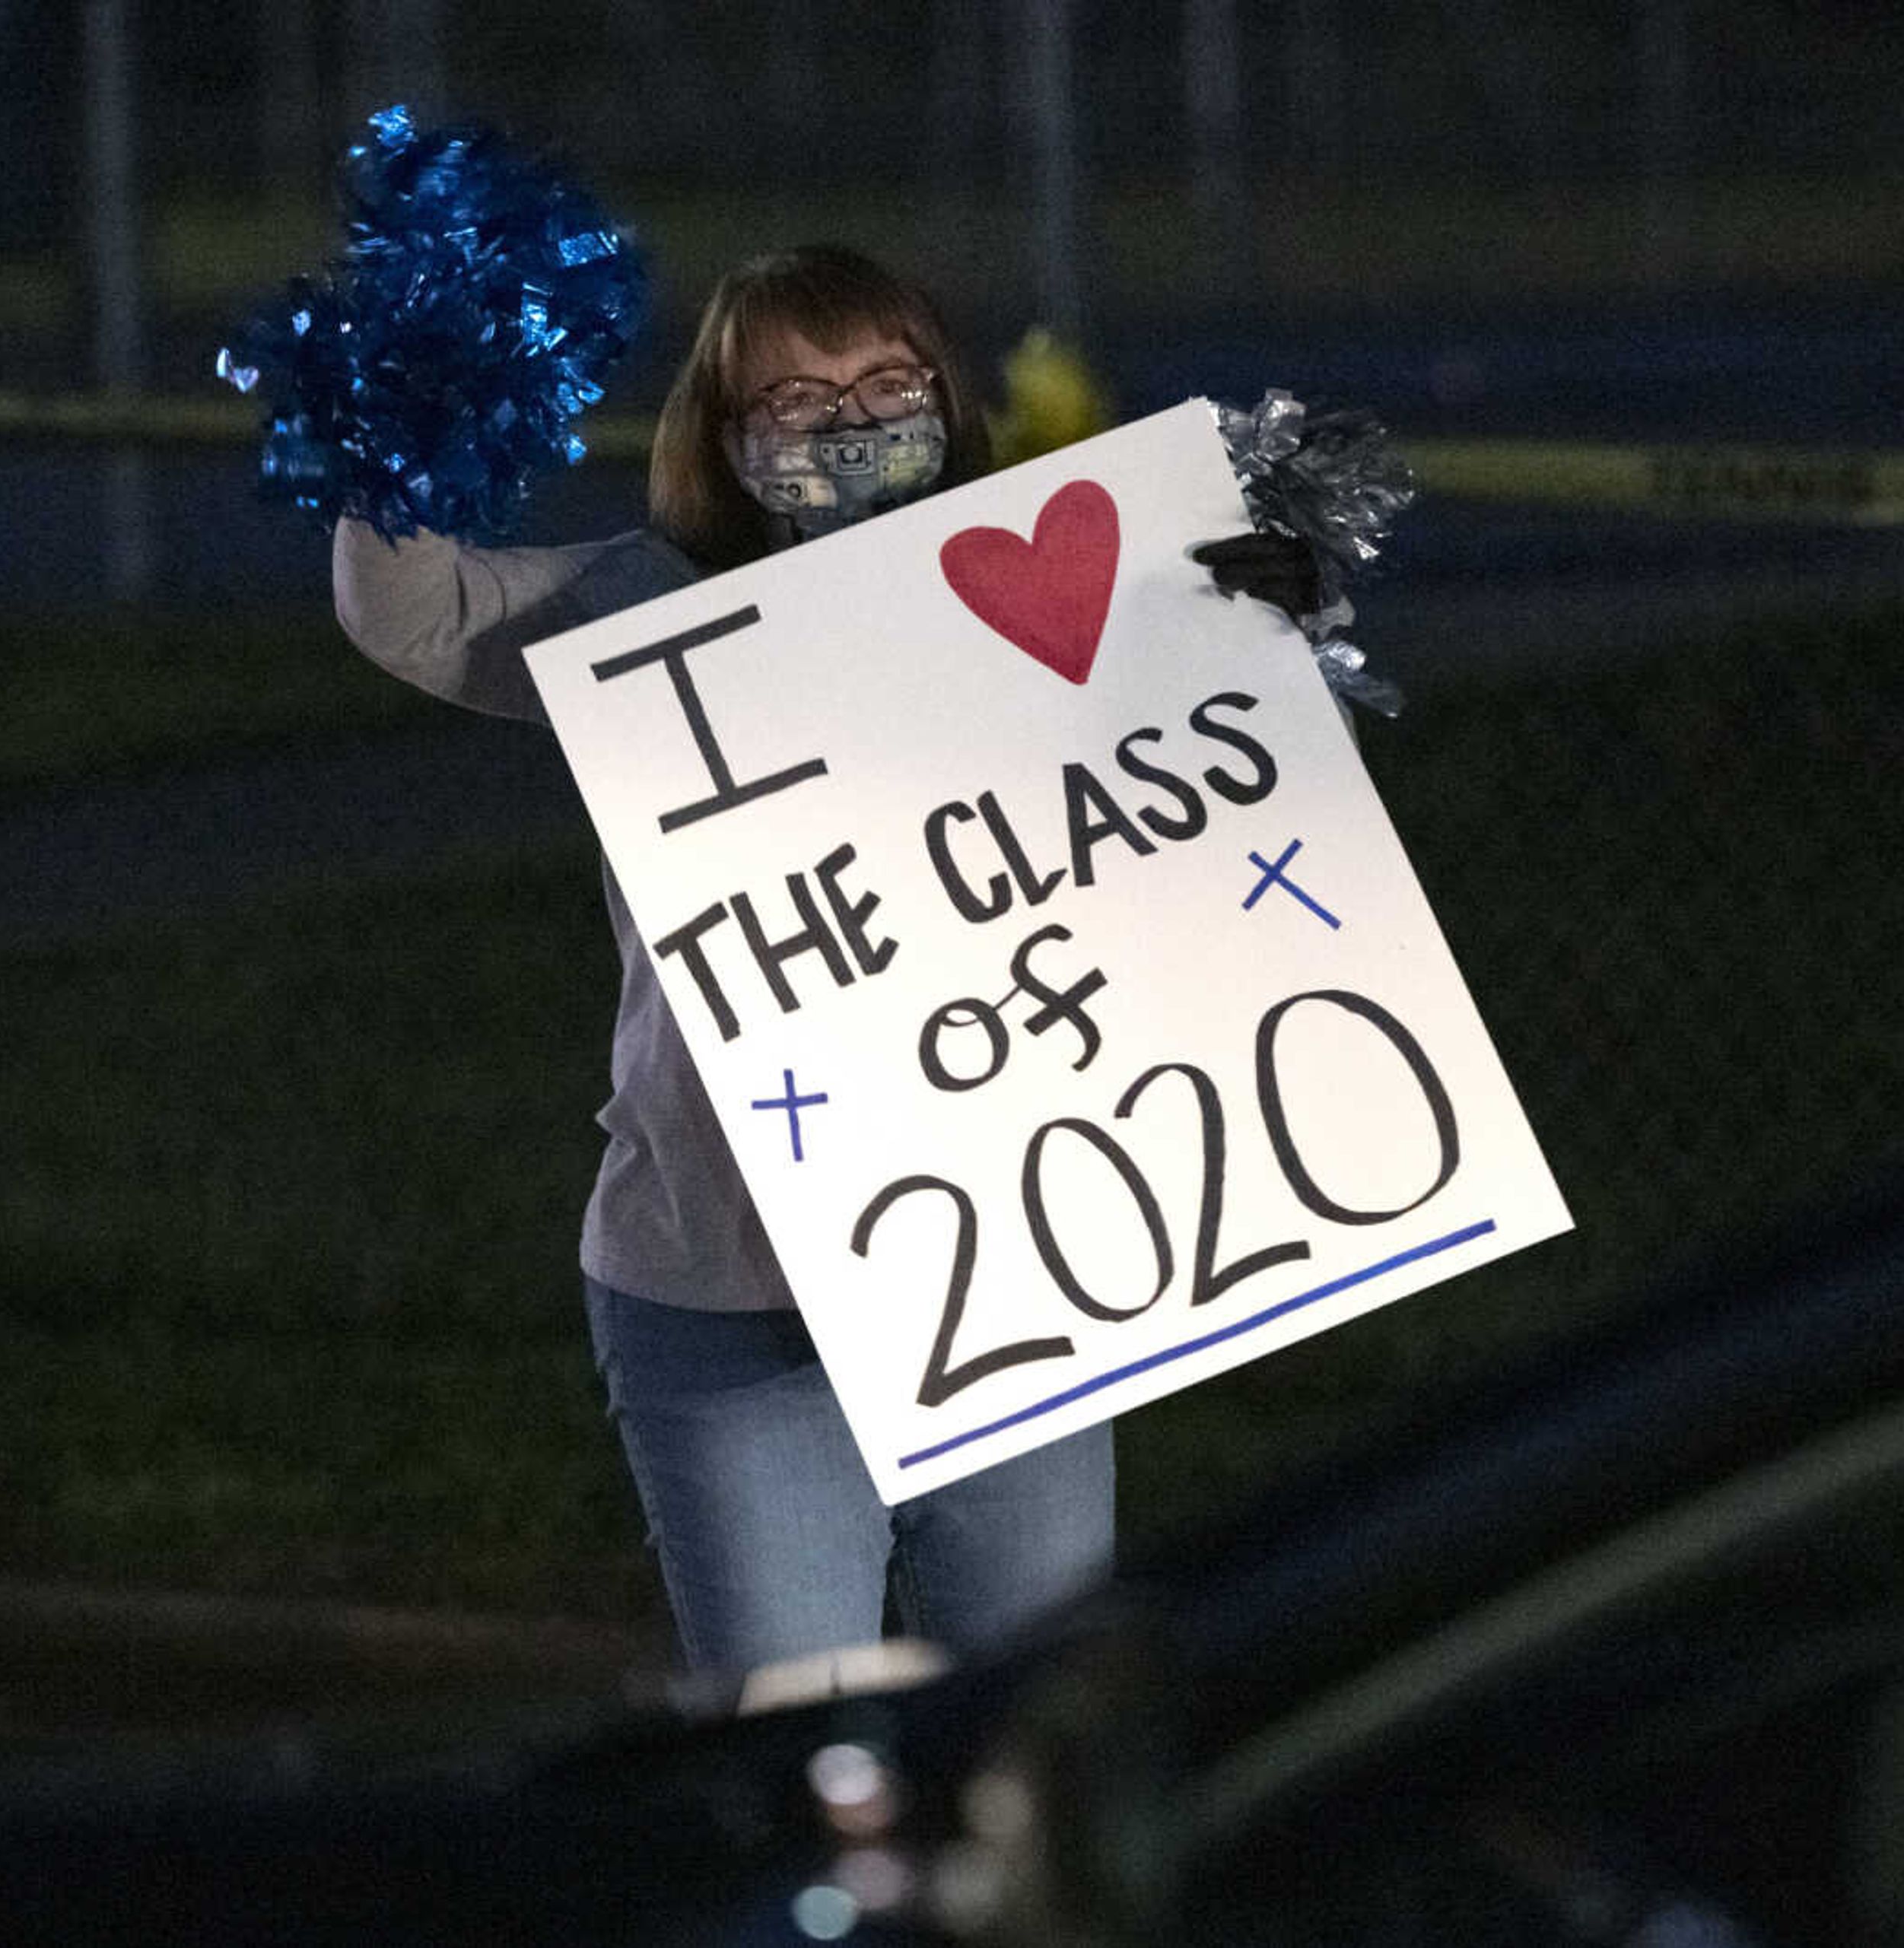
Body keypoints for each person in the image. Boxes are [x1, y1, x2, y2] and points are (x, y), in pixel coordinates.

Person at [332, 243, 1319, 1683]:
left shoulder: (1072, 603)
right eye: (793, 397)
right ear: (725, 441)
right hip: (731, 1304)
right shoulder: (648, 613)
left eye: (884, 381)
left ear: (946, 393)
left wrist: (1255, 621)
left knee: (1034, 1731)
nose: (850, 425)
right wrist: (403, 423)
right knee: (803, 1747)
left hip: (1024, 1277)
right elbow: (414, 615)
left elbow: (1222, 819)